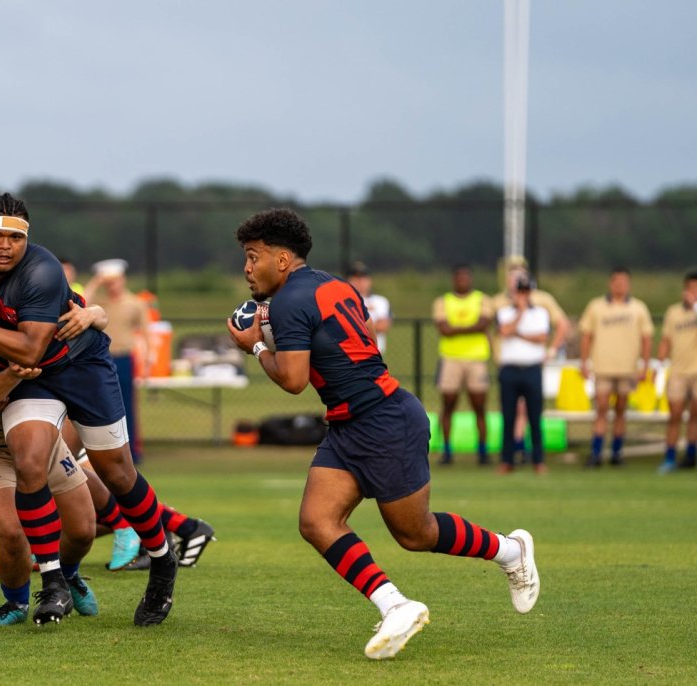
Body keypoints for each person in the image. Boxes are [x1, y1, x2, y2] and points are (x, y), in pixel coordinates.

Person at [226, 208, 539, 660]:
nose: (247, 268)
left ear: (280, 259)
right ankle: (395, 604)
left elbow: (293, 380)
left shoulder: (290, 300)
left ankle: (511, 551)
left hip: (383, 420)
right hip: (351, 421)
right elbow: (356, 340)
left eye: (253, 257)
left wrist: (254, 344)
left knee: (416, 534)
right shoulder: (332, 284)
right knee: (316, 521)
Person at [0, 193, 178, 627]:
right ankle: (54, 582)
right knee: (28, 462)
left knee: (117, 473)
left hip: (79, 365)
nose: (5, 246)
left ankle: (161, 558)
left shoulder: (41, 271)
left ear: (28, 239)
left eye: (15, 237)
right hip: (29, 375)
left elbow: (27, 344)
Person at [0, 343, 98, 626]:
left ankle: (66, 576)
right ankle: (16, 601)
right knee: (12, 532)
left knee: (82, 530)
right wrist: (16, 372)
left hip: (44, 447)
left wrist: (92, 314)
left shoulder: (32, 335)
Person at [491, 257, 570, 459]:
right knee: (511, 411)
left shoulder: (542, 300)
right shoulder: (499, 302)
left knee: (530, 411)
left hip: (532, 364)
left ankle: (529, 452)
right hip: (507, 364)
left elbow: (561, 324)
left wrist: (552, 349)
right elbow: (497, 329)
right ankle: (514, 450)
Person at [579, 267, 654, 467]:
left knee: (621, 409)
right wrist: (583, 362)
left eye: (623, 282)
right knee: (601, 408)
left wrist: (645, 365)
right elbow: (587, 336)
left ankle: (617, 452)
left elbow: (646, 338)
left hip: (627, 368)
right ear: (610, 283)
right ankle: (596, 453)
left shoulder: (638, 308)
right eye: (616, 281)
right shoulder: (596, 307)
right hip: (603, 367)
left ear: (628, 284)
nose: (619, 285)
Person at [84, 258, 150, 462]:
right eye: (109, 282)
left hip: (124, 358)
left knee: (126, 406)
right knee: (100, 404)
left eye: (116, 280)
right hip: (100, 358)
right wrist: (96, 282)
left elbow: (147, 334)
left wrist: (147, 363)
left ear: (123, 279)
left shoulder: (135, 303)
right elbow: (82, 302)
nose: (113, 286)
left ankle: (131, 452)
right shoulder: (99, 304)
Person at [432, 265, 493, 466]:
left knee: (480, 406)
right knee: (448, 405)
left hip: (476, 359)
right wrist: (472, 327)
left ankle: (483, 450)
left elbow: (483, 323)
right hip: (451, 358)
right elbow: (444, 329)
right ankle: (447, 450)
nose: (463, 281)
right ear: (454, 279)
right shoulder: (443, 301)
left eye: (466, 277)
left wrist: (456, 328)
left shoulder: (482, 299)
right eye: (459, 277)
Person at [496, 275, 551, 474]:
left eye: (525, 291)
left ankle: (538, 460)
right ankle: (507, 460)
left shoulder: (540, 313)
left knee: (535, 417)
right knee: (508, 417)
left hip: (532, 369)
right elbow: (504, 330)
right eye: (520, 291)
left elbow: (542, 337)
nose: (522, 295)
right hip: (510, 370)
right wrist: (519, 312)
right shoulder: (504, 312)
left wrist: (518, 334)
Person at [655, 269, 697, 473]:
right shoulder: (674, 312)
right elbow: (666, 340)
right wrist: (658, 365)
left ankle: (691, 455)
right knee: (675, 414)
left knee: (695, 415)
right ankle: (670, 457)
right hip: (679, 371)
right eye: (691, 288)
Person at [346, 262, 390, 355]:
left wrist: (354, 327)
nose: (359, 282)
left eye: (363, 278)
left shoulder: (380, 301)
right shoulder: (343, 300)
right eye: (355, 278)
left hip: (375, 352)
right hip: (350, 353)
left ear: (369, 280)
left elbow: (383, 326)